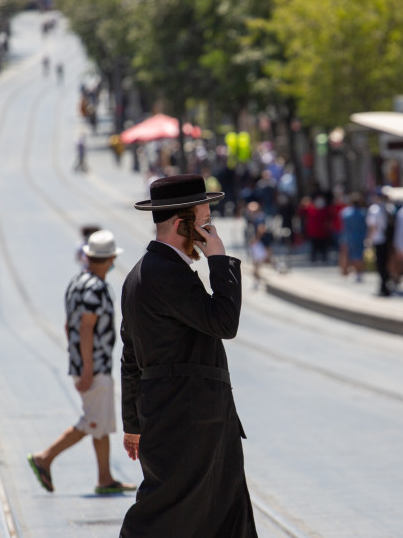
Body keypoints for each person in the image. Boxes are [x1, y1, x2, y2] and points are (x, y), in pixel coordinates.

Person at [120, 174, 257, 537]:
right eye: (206, 223)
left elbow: (130, 355)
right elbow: (224, 322)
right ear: (183, 223)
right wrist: (219, 261)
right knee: (166, 517)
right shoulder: (166, 274)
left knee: (225, 514)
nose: (211, 232)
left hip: (180, 416)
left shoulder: (141, 273)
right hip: (187, 419)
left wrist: (132, 422)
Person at [27, 230, 136, 495]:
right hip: (94, 365)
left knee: (100, 422)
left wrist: (76, 360)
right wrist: (88, 367)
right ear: (110, 259)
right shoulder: (96, 288)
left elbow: (69, 326)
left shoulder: (76, 283)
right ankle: (45, 457)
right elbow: (86, 329)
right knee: (93, 421)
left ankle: (104, 477)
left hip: (84, 363)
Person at [367, 188, 396, 296]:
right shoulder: (389, 208)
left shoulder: (375, 209)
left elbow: (373, 226)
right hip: (388, 239)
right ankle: (386, 284)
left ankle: (384, 286)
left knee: (381, 264)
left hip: (379, 239)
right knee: (386, 262)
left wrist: (369, 239)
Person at [340, 193, 368, 283]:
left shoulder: (345, 213)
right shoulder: (363, 213)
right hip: (360, 237)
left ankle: (349, 272)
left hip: (348, 237)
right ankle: (358, 273)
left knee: (349, 255)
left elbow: (342, 225)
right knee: (359, 256)